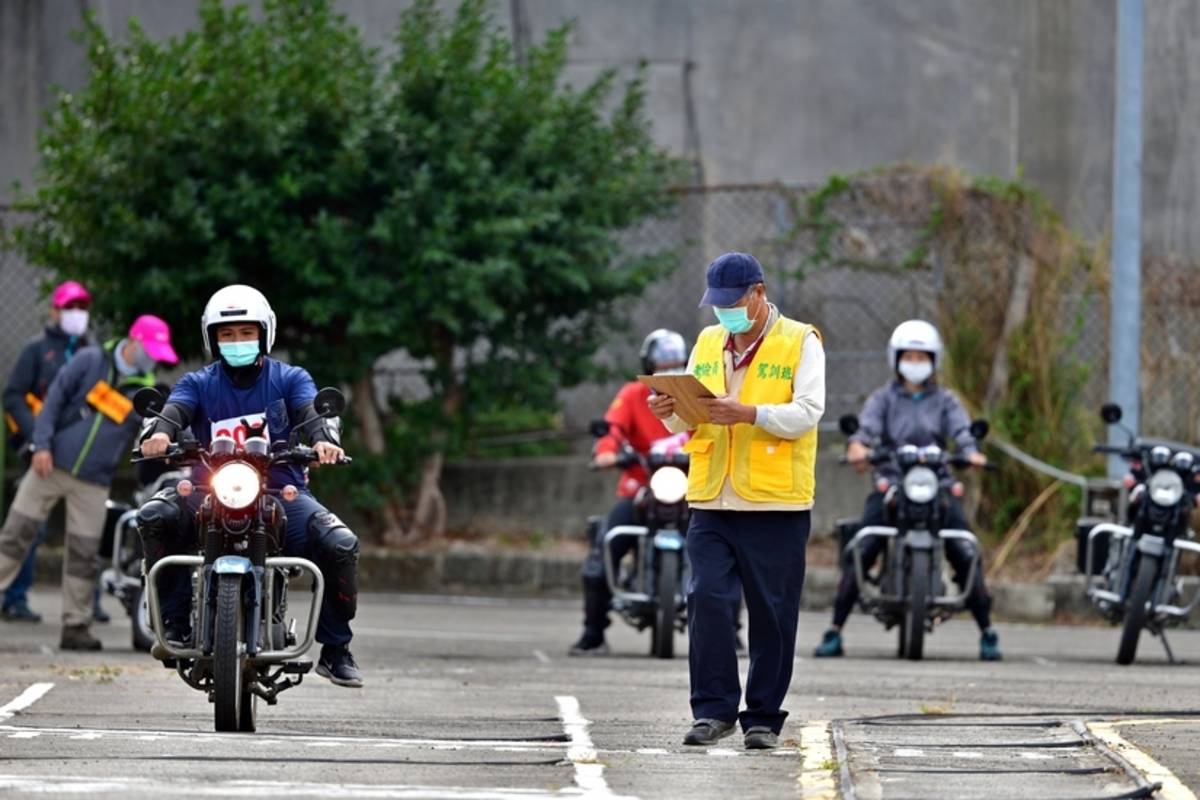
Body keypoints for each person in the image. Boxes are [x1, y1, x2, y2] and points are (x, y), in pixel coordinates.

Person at [137, 285, 364, 688]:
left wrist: (324, 440)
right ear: (212, 338)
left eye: (246, 332)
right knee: (153, 516)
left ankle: (335, 649)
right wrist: (159, 432)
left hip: (282, 492)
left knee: (340, 544)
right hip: (209, 491)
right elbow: (174, 410)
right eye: (227, 334)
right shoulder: (198, 382)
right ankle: (174, 624)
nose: (237, 341)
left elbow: (311, 412)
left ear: (264, 333)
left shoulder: (290, 378)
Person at [650, 252, 825, 751]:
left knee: (772, 615)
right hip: (711, 497)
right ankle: (712, 711)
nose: (724, 314)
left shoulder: (800, 341)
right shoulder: (708, 341)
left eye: (732, 303)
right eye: (717, 305)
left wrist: (748, 412)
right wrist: (669, 409)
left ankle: (763, 718)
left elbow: (809, 412)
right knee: (705, 598)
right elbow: (688, 418)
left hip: (775, 503)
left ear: (759, 294)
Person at [813, 319, 1002, 661]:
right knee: (862, 545)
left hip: (938, 485)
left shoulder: (946, 401)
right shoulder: (882, 399)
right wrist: (858, 449)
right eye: (909, 355)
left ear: (934, 360)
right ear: (896, 358)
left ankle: (987, 631)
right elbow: (864, 433)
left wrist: (971, 453)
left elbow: (962, 434)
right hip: (893, 484)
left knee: (965, 549)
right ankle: (835, 630)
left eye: (922, 356)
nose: (915, 362)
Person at [0, 314, 177, 650]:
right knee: (14, 536)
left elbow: (149, 433)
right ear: (134, 340)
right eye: (150, 349)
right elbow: (53, 401)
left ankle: (76, 626)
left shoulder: (145, 388)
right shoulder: (90, 359)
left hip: (95, 481)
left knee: (84, 555)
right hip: (50, 465)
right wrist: (41, 444)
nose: (153, 358)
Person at [569, 328, 689, 656]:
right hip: (641, 491)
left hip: (691, 493)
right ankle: (593, 632)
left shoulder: (697, 393)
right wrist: (607, 451)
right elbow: (613, 428)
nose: (668, 372)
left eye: (676, 364)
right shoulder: (634, 395)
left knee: (724, 552)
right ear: (648, 367)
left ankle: (731, 633)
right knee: (603, 548)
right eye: (661, 365)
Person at [1, 281, 94, 623]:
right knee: (29, 527)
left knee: (86, 530)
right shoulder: (37, 350)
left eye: (82, 307)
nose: (77, 314)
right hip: (40, 451)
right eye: (70, 307)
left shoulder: (91, 351)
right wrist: (36, 436)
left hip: (79, 455)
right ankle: (14, 597)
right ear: (54, 310)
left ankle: (88, 603)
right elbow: (13, 396)